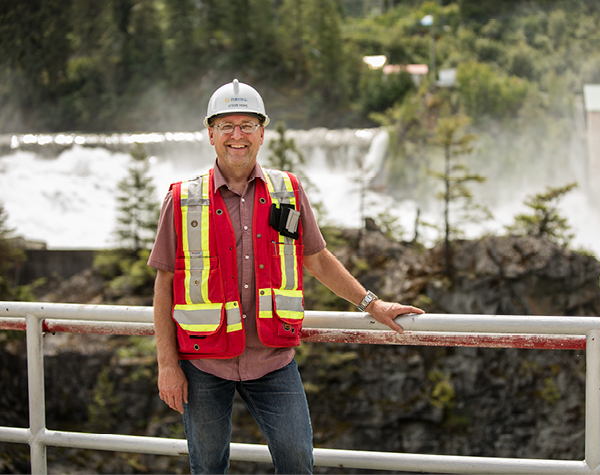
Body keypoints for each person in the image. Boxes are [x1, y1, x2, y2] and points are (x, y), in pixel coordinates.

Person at [148, 79, 424, 474]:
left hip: (273, 360)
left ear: (262, 132)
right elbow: (164, 284)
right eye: (226, 125)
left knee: (297, 462)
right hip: (203, 363)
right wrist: (167, 365)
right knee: (207, 468)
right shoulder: (182, 199)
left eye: (247, 125)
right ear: (210, 134)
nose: (237, 136)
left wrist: (373, 304)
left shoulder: (288, 192)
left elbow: (318, 258)